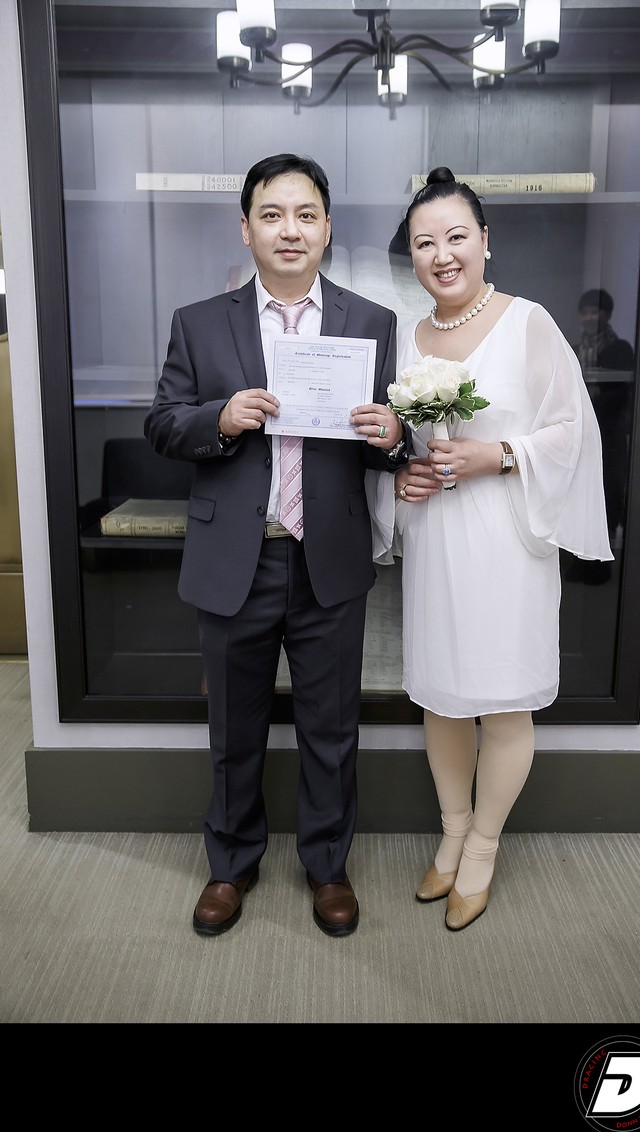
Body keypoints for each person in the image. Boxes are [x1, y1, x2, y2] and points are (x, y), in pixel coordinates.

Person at [144, 153, 408, 938]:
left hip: (328, 557)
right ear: (248, 227)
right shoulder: (199, 322)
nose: (289, 230)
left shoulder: (370, 322)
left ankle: (328, 867)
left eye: (304, 215)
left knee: (332, 729)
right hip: (238, 557)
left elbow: (387, 444)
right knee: (234, 728)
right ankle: (231, 864)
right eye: (272, 214)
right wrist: (219, 421)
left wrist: (394, 437)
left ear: (327, 228)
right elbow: (163, 424)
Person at [368, 167, 613, 931]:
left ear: (485, 242)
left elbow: (573, 430)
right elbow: (403, 442)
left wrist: (498, 455)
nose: (441, 254)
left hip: (507, 541)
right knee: (441, 697)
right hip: (439, 541)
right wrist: (405, 473)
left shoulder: (528, 321)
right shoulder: (408, 337)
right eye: (423, 242)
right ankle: (449, 834)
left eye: (455, 237)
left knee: (502, 703)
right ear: (410, 255)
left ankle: (482, 847)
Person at [570, 288, 635, 570]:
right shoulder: (573, 349)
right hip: (577, 435)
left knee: (607, 491)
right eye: (584, 312)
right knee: (576, 495)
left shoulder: (620, 349)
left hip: (609, 436)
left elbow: (619, 395)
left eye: (594, 311)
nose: (589, 317)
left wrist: (589, 403)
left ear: (606, 315)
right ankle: (575, 562)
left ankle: (600, 566)